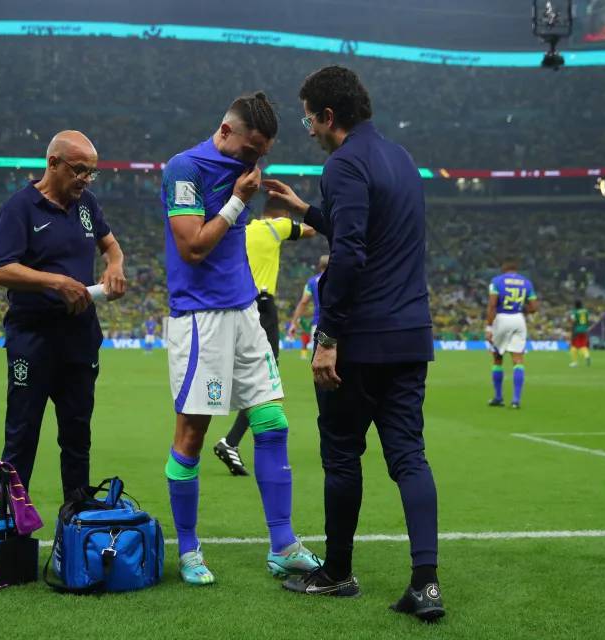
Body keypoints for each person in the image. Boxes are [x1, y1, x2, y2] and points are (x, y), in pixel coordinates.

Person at [263, 65, 443, 620]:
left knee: (343, 457)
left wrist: (328, 336)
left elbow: (351, 254)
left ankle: (337, 572)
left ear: (329, 116)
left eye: (309, 118)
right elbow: (370, 231)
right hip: (411, 334)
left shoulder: (342, 163)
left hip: (361, 340)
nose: (308, 129)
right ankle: (426, 585)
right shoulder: (403, 159)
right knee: (409, 457)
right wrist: (306, 212)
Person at [160, 92, 321, 586]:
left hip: (245, 310)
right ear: (226, 131)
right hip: (198, 321)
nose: (255, 161)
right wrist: (237, 201)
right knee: (193, 433)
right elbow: (191, 248)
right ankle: (188, 550)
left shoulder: (242, 169)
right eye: (251, 149)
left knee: (272, 423)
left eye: (262, 153)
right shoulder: (184, 169)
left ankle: (283, 544)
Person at [0, 131, 127, 499]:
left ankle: (76, 526)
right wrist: (55, 282)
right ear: (53, 163)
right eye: (79, 170)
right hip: (33, 339)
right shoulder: (19, 208)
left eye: (91, 172)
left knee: (78, 437)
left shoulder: (87, 204)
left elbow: (110, 245)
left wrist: (115, 264)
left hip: (79, 337)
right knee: (21, 437)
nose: (85, 179)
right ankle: (13, 530)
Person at [212, 197, 316, 477]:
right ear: (280, 213)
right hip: (262, 306)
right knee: (266, 379)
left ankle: (230, 442)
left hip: (237, 305)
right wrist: (296, 211)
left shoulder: (243, 231)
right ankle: (232, 442)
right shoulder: (277, 226)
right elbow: (311, 230)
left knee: (250, 376)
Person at [485, 258, 539, 409]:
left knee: (497, 358)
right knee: (518, 360)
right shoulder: (526, 282)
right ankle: (516, 400)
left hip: (502, 318)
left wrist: (489, 328)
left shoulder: (497, 281)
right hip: (518, 319)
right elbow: (534, 307)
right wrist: (524, 309)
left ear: (504, 268)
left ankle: (498, 397)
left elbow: (492, 305)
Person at [289, 255, 328, 360]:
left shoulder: (311, 282)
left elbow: (304, 302)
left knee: (319, 358)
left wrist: (294, 322)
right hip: (338, 323)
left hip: (319, 323)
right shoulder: (338, 279)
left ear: (319, 266)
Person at [569, 300, 591, 367]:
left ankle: (575, 362)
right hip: (584, 330)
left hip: (577, 330)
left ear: (575, 305)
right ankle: (587, 356)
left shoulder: (574, 312)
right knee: (583, 345)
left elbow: (573, 321)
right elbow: (588, 320)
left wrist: (572, 331)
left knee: (574, 346)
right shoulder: (586, 311)